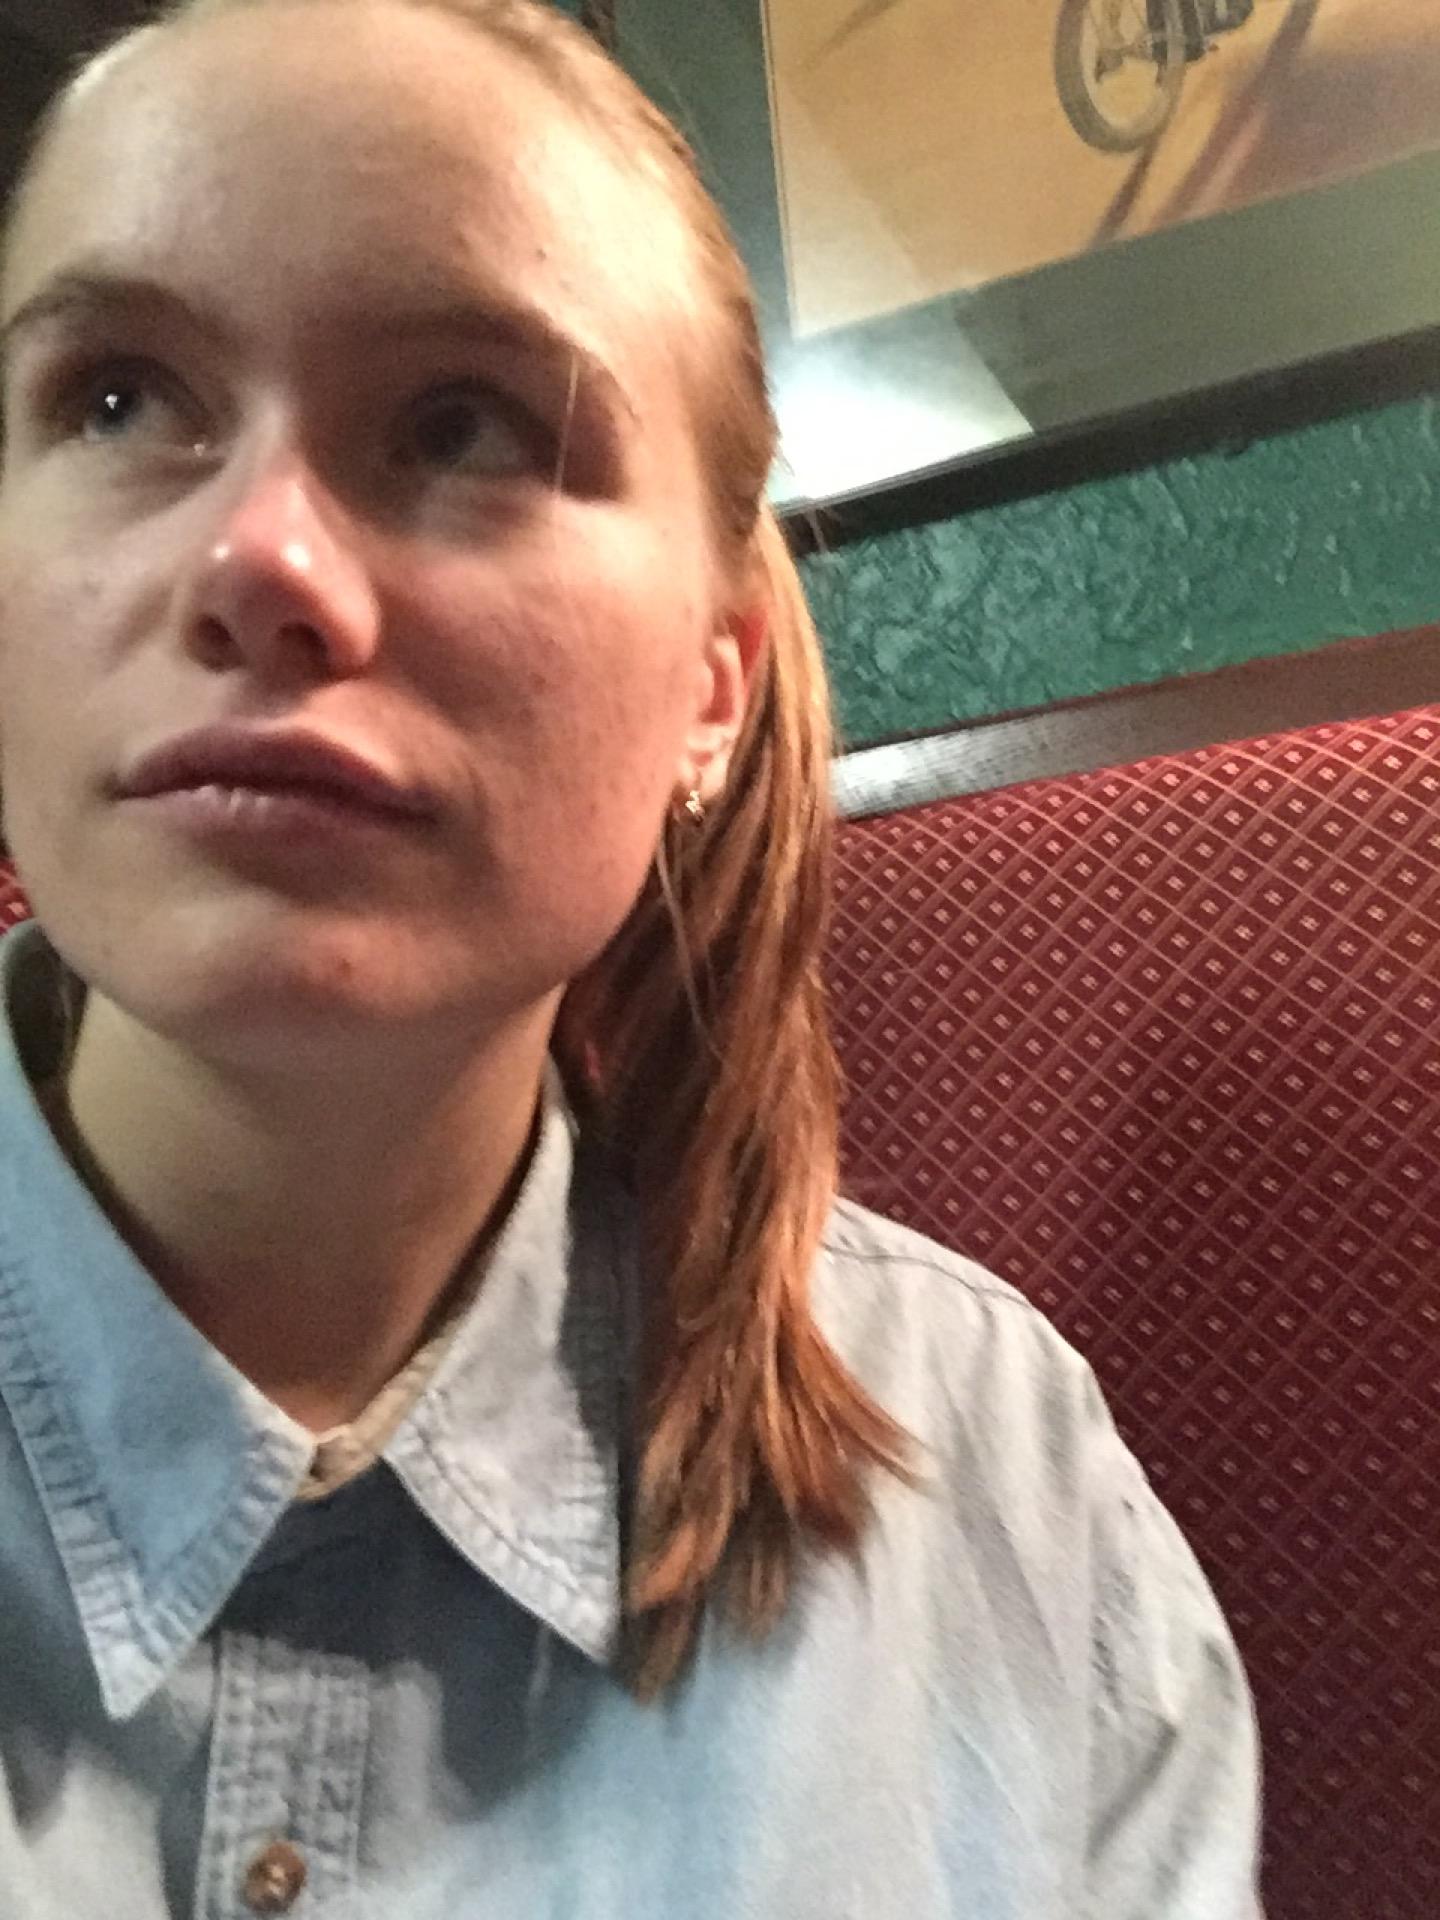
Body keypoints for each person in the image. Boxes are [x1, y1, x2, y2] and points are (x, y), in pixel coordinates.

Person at [0, 1, 1264, 1914]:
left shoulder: (1001, 1491)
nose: (261, 561)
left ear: (714, 686)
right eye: (115, 399)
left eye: (461, 423)